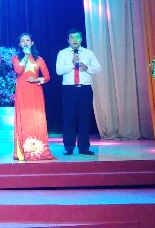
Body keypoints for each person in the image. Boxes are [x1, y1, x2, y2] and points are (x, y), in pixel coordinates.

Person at [56, 29, 102, 156]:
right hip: (69, 90)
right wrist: (72, 64)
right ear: (68, 40)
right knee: (68, 118)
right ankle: (69, 147)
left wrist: (87, 68)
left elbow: (98, 69)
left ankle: (84, 147)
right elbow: (58, 71)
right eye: (72, 37)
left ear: (81, 39)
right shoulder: (63, 53)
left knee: (85, 118)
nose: (75, 40)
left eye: (77, 37)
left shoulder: (88, 53)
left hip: (85, 89)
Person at [12, 33, 55, 161]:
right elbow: (18, 71)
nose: (25, 43)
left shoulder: (39, 59)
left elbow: (47, 77)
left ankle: (38, 150)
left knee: (36, 120)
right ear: (20, 44)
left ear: (32, 43)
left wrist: (36, 79)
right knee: (24, 119)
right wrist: (25, 58)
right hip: (22, 92)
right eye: (22, 41)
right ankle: (23, 151)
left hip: (35, 91)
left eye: (28, 40)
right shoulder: (16, 58)